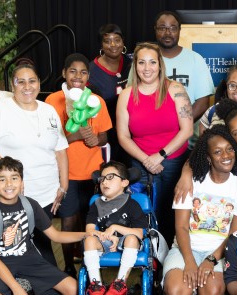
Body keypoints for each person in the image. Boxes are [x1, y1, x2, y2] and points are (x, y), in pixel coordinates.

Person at [0, 59, 69, 266]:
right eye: (21, 82)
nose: (27, 87)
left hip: (47, 194)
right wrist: (12, 175)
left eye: (32, 81)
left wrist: (63, 186)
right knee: (17, 251)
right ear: (12, 85)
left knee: (44, 246)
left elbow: (61, 150)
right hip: (16, 196)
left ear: (39, 83)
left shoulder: (48, 111)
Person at [116, 42, 193, 244]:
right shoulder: (126, 95)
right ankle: (149, 264)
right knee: (142, 215)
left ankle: (169, 264)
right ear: (135, 66)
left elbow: (187, 129)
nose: (147, 68)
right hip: (140, 164)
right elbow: (123, 136)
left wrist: (160, 155)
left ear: (160, 65)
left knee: (171, 213)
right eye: (141, 62)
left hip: (173, 161)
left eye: (152, 62)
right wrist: (146, 160)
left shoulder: (175, 89)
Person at [0, 156, 86, 295]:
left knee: (74, 288)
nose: (9, 184)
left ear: (22, 183)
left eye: (14, 178)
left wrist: (86, 235)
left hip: (29, 260)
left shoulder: (30, 204)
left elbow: (56, 235)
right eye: (2, 179)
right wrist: (16, 288)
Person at [45, 53, 113, 275]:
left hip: (93, 173)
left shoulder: (96, 101)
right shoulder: (52, 101)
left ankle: (89, 264)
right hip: (66, 173)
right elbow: (47, 139)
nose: (78, 76)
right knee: (68, 221)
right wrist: (73, 136)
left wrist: (96, 139)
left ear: (88, 76)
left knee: (90, 221)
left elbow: (104, 135)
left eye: (83, 72)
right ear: (64, 73)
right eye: (73, 71)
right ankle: (67, 268)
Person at [164, 125, 237, 295]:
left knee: (211, 289)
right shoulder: (190, 183)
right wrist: (189, 262)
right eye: (218, 152)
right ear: (208, 158)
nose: (226, 156)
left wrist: (211, 259)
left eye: (229, 149)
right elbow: (181, 227)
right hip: (185, 249)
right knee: (177, 290)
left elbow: (234, 234)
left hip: (219, 252)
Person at [82, 161, 149, 295]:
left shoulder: (132, 204)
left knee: (131, 238)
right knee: (89, 240)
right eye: (102, 179)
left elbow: (140, 233)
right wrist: (107, 235)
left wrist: (114, 227)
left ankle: (120, 283)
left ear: (124, 182)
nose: (104, 182)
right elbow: (89, 230)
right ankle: (96, 285)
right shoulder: (96, 204)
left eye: (110, 177)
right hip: (105, 241)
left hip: (128, 242)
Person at [154, 11, 214, 119]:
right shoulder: (144, 60)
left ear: (179, 30)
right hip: (154, 130)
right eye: (162, 28)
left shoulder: (196, 59)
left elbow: (203, 102)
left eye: (173, 28)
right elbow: (133, 97)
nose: (167, 33)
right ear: (155, 30)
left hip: (189, 131)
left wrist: (182, 128)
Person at [89, 23, 132, 164]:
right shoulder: (90, 72)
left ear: (123, 42)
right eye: (107, 41)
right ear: (101, 45)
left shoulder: (132, 64)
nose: (113, 44)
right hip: (108, 133)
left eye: (117, 40)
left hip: (132, 130)